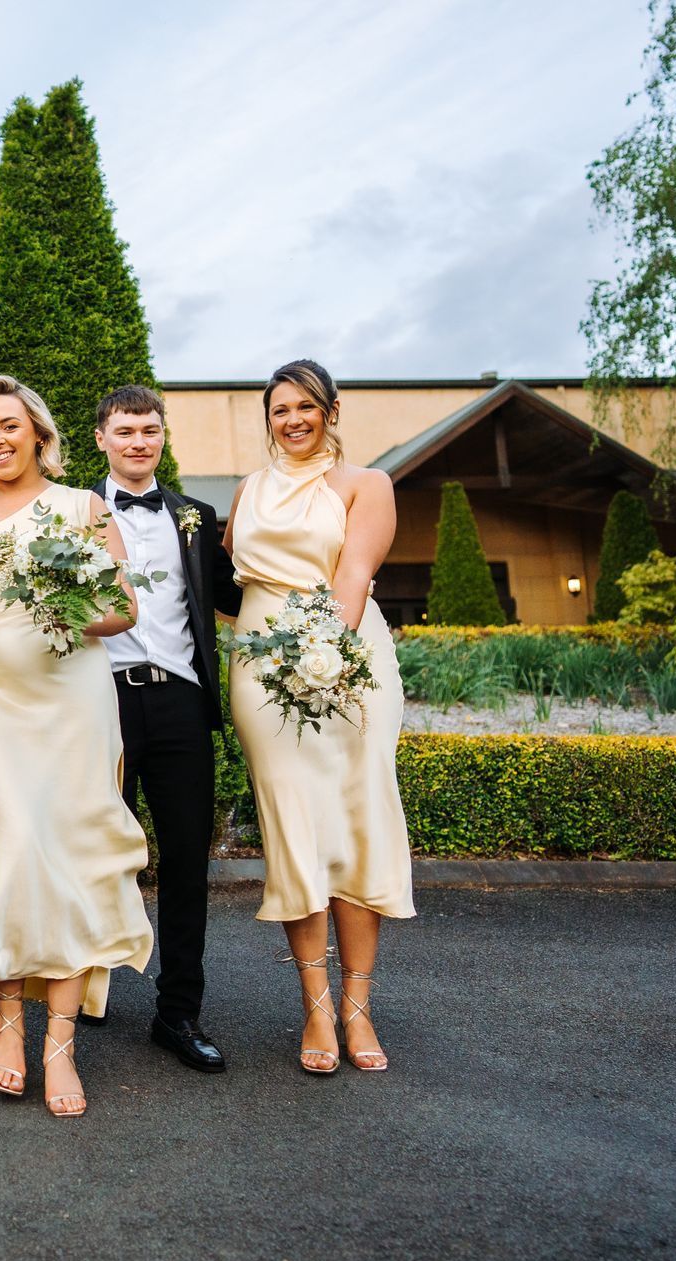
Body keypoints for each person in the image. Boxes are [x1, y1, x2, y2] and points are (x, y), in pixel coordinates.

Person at [0, 375, 154, 1118]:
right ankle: (6, 1018)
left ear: (38, 432)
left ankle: (58, 1040)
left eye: (10, 426)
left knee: (68, 853)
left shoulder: (84, 509)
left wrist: (62, 602)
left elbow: (123, 608)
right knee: (16, 844)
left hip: (72, 698)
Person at [224, 358, 414, 1074]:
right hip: (261, 673)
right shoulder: (248, 491)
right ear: (268, 420)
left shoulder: (367, 485)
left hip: (349, 664)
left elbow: (353, 578)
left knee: (358, 822)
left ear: (331, 410)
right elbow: (229, 579)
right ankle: (315, 1008)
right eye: (280, 410)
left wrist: (320, 659)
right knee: (296, 828)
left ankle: (359, 1008)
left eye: (306, 406)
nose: (293, 420)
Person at [93, 385, 243, 1073]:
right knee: (95, 853)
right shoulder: (77, 513)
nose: (138, 442)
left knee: (187, 861)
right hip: (103, 703)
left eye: (149, 431)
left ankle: (179, 1012)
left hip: (182, 702)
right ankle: (84, 992)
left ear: (162, 436)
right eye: (125, 432)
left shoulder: (195, 517)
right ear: (101, 439)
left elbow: (239, 594)